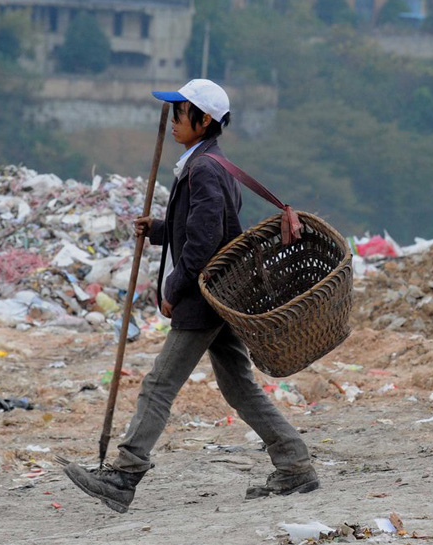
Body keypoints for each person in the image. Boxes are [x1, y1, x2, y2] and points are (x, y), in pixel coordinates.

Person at [63, 79, 318, 513]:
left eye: (180, 113)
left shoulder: (204, 169)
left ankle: (124, 474)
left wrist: (173, 289)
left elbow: (203, 245)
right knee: (239, 387)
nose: (174, 121)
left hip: (202, 298)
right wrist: (160, 230)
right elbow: (206, 230)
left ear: (203, 120)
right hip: (219, 295)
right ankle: (295, 464)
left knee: (159, 385)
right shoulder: (210, 165)